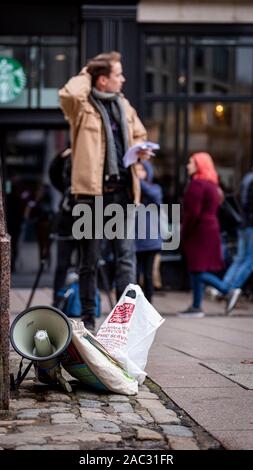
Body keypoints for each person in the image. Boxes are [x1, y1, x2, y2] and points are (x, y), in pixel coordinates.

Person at [59, 51, 150, 331]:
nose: (122, 79)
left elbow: (140, 134)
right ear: (102, 80)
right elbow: (67, 93)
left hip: (123, 192)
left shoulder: (124, 105)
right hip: (92, 195)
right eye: (117, 74)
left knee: (125, 258)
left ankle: (124, 322)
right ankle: (88, 318)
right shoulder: (81, 106)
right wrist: (87, 70)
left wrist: (142, 150)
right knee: (90, 259)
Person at [178, 152, 241, 318]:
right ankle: (196, 305)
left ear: (199, 165)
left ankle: (226, 290)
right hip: (210, 229)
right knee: (197, 269)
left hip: (199, 231)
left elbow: (192, 214)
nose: (187, 166)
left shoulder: (197, 185)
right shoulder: (213, 185)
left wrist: (183, 232)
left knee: (197, 270)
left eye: (191, 163)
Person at [49, 147, 78, 308]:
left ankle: (78, 302)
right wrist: (61, 157)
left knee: (87, 265)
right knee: (62, 264)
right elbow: (54, 175)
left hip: (87, 219)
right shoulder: (65, 181)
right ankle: (57, 300)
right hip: (67, 221)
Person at [135, 160, 162, 303]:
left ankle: (148, 304)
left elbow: (154, 196)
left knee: (148, 274)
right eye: (136, 170)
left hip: (150, 241)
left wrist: (137, 180)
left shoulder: (155, 188)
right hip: (135, 240)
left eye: (142, 170)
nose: (139, 173)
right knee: (134, 274)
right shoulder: (132, 191)